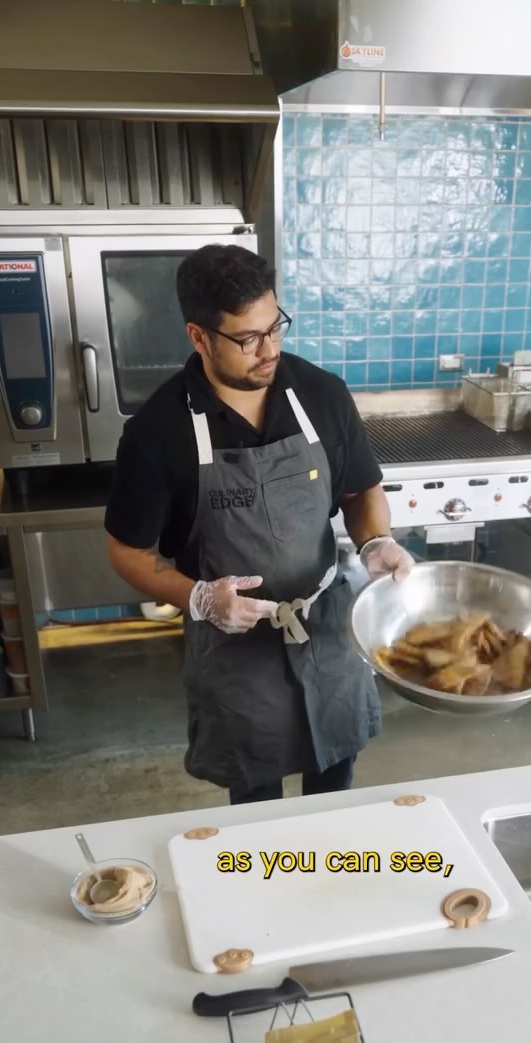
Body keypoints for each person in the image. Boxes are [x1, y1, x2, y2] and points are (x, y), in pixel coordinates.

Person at [105, 244, 413, 805]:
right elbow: (127, 552)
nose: (269, 350)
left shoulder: (321, 394)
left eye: (275, 327)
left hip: (326, 631)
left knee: (334, 794)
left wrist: (376, 540)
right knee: (255, 811)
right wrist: (199, 599)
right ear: (199, 337)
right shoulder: (157, 433)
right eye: (248, 338)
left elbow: (360, 490)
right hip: (234, 652)